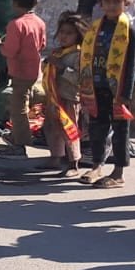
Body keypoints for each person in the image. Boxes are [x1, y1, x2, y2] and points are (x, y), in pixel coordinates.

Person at [79, 0, 135, 189]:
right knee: (97, 127)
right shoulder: (95, 28)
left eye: (117, 1)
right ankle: (97, 166)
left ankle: (118, 172)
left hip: (118, 89)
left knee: (120, 129)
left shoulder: (128, 31)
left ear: (126, 3)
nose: (112, 5)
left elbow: (131, 64)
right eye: (108, 1)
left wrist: (125, 93)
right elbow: (86, 55)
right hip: (97, 86)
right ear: (101, 3)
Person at [0, 0, 46, 156]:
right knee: (22, 104)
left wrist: (0, 45)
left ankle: (20, 144)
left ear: (14, 2)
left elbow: (10, 51)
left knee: (17, 109)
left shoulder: (16, 24)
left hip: (20, 72)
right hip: (33, 71)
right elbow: (42, 44)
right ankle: (16, 136)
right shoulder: (39, 22)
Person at [38, 13, 85, 177]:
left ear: (78, 36)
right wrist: (47, 64)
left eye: (69, 33)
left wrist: (62, 68)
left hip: (69, 98)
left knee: (68, 129)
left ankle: (74, 162)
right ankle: (55, 157)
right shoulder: (58, 52)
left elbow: (79, 77)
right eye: (62, 32)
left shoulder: (78, 55)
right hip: (54, 97)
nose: (64, 36)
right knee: (51, 127)